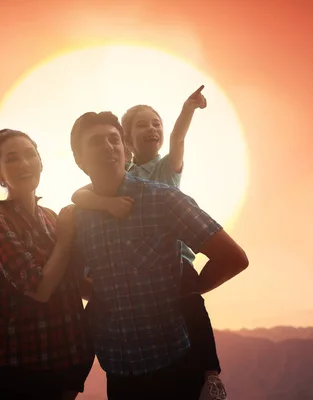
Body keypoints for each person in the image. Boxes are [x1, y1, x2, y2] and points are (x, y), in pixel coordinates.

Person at [69, 111, 248, 400]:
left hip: (177, 369)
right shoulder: (77, 219)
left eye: (114, 139)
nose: (108, 147)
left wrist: (183, 291)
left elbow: (233, 257)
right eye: (95, 142)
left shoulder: (163, 200)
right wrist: (107, 297)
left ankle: (211, 376)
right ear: (79, 159)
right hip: (120, 375)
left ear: (127, 150)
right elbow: (74, 280)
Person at [0, 129, 94, 400]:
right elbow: (39, 289)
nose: (25, 164)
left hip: (63, 370)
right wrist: (65, 240)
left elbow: (76, 284)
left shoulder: (52, 218)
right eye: (13, 159)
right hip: (15, 374)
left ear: (41, 162)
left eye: (30, 155)